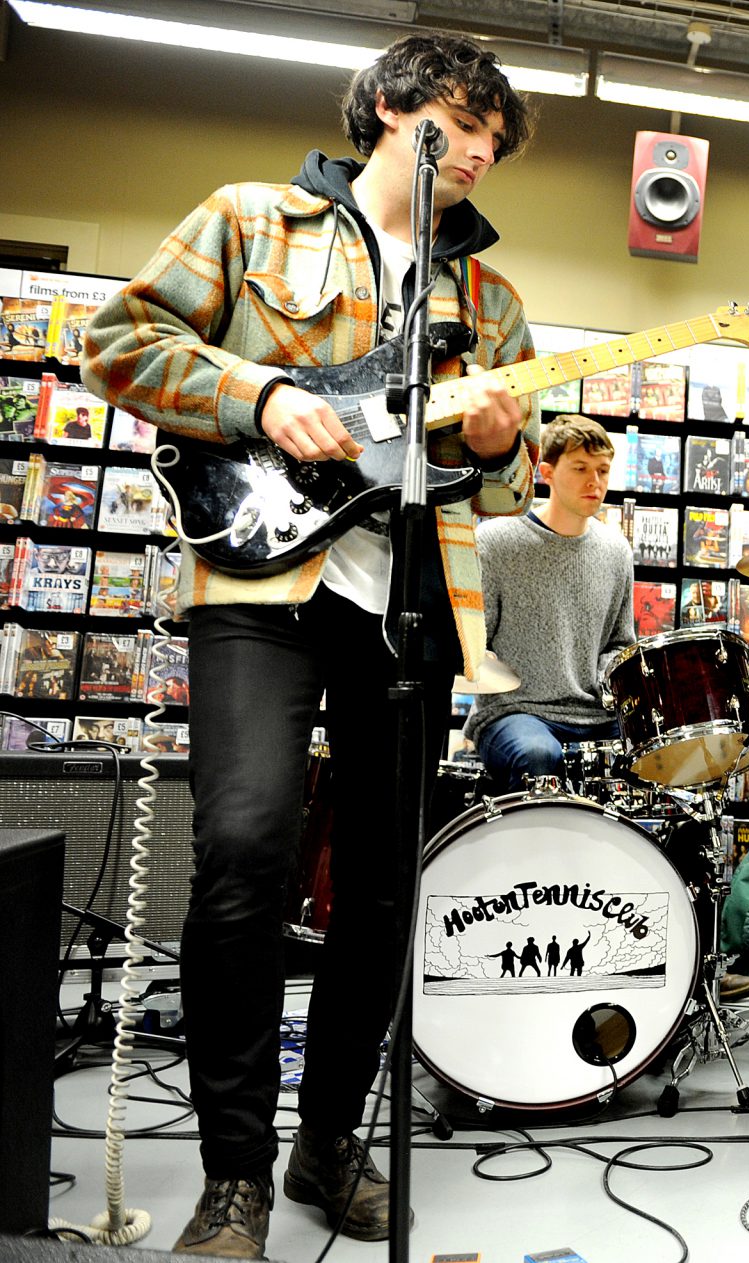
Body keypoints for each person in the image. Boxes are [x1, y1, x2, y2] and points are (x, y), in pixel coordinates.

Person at [81, 32, 538, 1258]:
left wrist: (500, 445)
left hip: (412, 603)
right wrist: (263, 397)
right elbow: (117, 342)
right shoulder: (249, 219)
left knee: (382, 890)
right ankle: (232, 1175)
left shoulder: (490, 301)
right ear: (390, 106)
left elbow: (505, 484)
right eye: (464, 121)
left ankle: (327, 1145)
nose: (482, 150)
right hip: (261, 583)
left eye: (496, 140)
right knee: (243, 852)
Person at [466, 414, 636, 788]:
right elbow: (476, 645)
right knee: (539, 755)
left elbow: (618, 644)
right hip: (514, 712)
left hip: (595, 714)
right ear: (547, 473)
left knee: (660, 748)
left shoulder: (616, 551)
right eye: (580, 468)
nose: (595, 481)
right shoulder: (496, 542)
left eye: (603, 470)